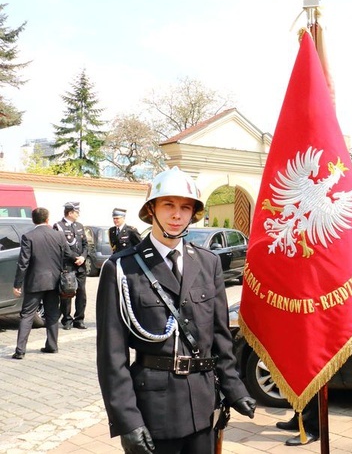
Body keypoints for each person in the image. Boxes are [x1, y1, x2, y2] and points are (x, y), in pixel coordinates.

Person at [96, 166, 256, 453]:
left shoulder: (208, 263)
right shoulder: (122, 268)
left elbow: (220, 337)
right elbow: (111, 356)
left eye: (185, 207)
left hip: (203, 404)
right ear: (151, 210)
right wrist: (127, 420)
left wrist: (234, 388)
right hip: (154, 410)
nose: (177, 214)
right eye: (168, 205)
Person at [11, 207, 84, 359]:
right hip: (54, 282)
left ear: (33, 220)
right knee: (52, 314)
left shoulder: (28, 236)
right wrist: (78, 258)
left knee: (27, 315)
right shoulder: (58, 235)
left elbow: (23, 263)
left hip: (35, 282)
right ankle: (52, 346)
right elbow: (67, 254)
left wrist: (17, 284)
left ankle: (20, 351)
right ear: (47, 219)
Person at [53, 201, 88, 330]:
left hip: (80, 265)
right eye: (76, 212)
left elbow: (85, 244)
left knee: (81, 293)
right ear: (70, 212)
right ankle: (67, 319)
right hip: (68, 265)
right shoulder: (58, 226)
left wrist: (83, 257)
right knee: (67, 293)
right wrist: (75, 258)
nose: (78, 214)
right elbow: (62, 247)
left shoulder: (79, 226)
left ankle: (79, 319)